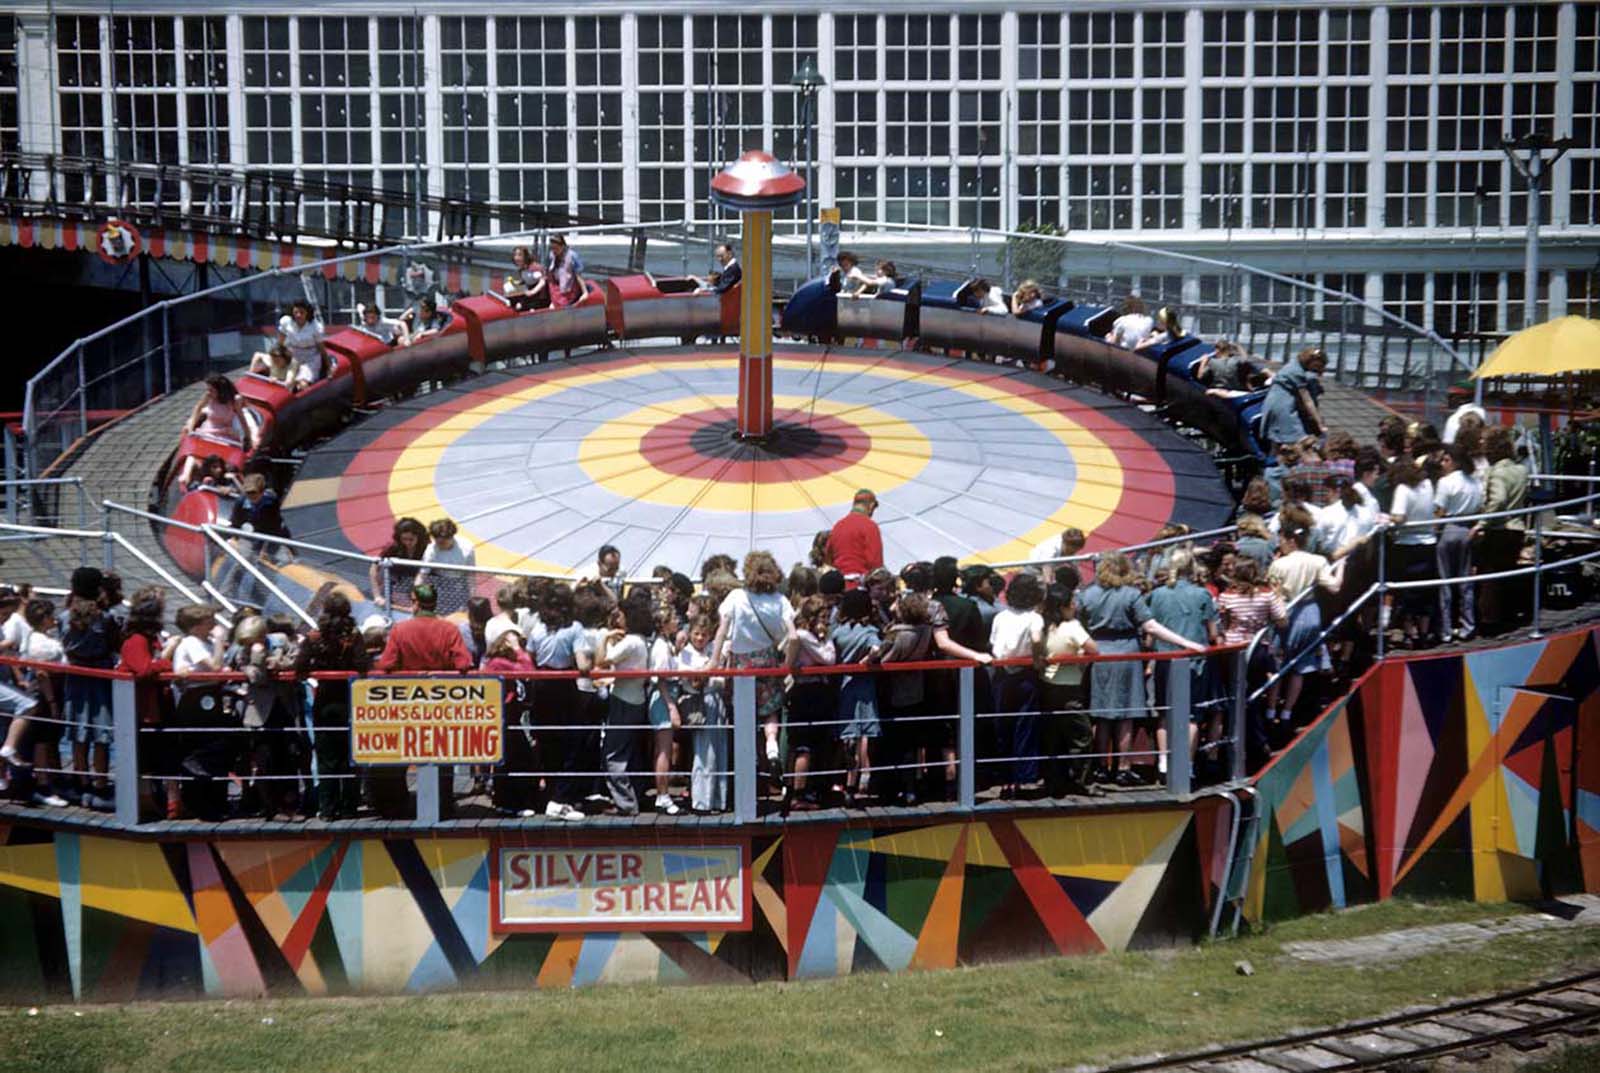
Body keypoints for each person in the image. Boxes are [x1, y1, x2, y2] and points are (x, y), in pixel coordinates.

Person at [1076, 552, 1206, 786]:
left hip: (1098, 654)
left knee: (1101, 714)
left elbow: (1079, 626)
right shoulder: (1131, 595)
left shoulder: (1088, 595)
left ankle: (1101, 767)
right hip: (1127, 654)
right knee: (1126, 714)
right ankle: (1124, 768)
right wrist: (1185, 643)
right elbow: (1151, 626)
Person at [709, 551, 796, 785]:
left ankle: (749, 768)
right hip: (768, 662)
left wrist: (714, 662)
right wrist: (787, 665)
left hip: (740, 664)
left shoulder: (736, 596)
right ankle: (771, 747)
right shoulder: (779, 600)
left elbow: (722, 629)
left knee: (743, 716)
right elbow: (793, 635)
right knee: (770, 712)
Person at [1146, 550, 1220, 779]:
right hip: (1194, 662)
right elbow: (1213, 633)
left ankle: (1163, 763)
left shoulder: (1156, 595)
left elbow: (1149, 637)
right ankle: (1186, 765)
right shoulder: (1202, 594)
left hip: (1164, 661)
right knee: (1192, 716)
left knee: (1164, 713)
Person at [295, 593, 370, 820]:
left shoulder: (315, 637)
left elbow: (300, 667)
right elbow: (362, 665)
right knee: (350, 755)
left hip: (325, 698)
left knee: (326, 757)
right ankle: (349, 807)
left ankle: (327, 809)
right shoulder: (354, 636)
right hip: (349, 699)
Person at [1267, 507, 1344, 725]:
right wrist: (1342, 567)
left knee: (1278, 665)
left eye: (1282, 539)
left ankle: (1271, 710)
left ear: (1291, 541)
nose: (1279, 543)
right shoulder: (1317, 561)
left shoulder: (1278, 564)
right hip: (1311, 613)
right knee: (1300, 666)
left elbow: (1274, 594)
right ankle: (1288, 712)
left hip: (1287, 612)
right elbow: (1334, 587)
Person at [61, 568, 119, 811]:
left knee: (78, 733)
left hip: (76, 678)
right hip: (100, 678)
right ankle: (100, 783)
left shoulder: (65, 617)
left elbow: (65, 646)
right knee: (101, 735)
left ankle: (81, 780)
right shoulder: (106, 618)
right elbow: (114, 644)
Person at [1037, 583, 1098, 797]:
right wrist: (1080, 656)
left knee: (1053, 737)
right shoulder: (1072, 626)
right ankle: (1084, 781)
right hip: (1069, 687)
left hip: (1046, 685)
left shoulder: (1043, 625)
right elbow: (1094, 649)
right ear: (1064, 606)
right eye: (1072, 601)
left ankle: (1055, 781)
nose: (1075, 605)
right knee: (1081, 736)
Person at [595, 594, 654, 816]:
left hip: (623, 700)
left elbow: (601, 661)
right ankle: (635, 796)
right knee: (631, 753)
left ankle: (625, 803)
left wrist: (605, 638)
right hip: (637, 698)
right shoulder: (642, 641)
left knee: (613, 754)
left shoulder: (630, 642)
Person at [532, 583, 587, 821]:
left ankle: (552, 796)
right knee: (572, 745)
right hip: (564, 687)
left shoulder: (537, 629)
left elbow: (531, 656)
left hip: (541, 687)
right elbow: (583, 664)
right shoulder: (575, 628)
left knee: (547, 742)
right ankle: (561, 799)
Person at [989, 572, 1046, 797]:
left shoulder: (1001, 617)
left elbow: (994, 643)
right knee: (1026, 725)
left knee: (1003, 726)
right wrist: (1038, 659)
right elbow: (1037, 639)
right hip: (1025, 674)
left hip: (1002, 673)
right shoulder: (1034, 618)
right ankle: (1024, 778)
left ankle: (1006, 779)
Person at [1473, 427, 1530, 632]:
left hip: (1499, 530)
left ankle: (1489, 623)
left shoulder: (1496, 472)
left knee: (1490, 577)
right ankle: (1507, 616)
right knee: (1507, 574)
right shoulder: (1521, 470)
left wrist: (1481, 524)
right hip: (1517, 528)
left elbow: (1498, 500)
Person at [830, 588, 882, 804]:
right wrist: (866, 662)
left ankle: (848, 780)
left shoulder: (838, 632)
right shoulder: (869, 630)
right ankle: (863, 777)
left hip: (845, 683)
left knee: (848, 731)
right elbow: (877, 649)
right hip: (865, 684)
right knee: (865, 732)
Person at [785, 595, 837, 808]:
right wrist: (826, 638)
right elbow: (829, 658)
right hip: (807, 692)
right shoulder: (805, 636)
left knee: (816, 743)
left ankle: (811, 789)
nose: (825, 622)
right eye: (822, 617)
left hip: (817, 692)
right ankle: (799, 793)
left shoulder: (812, 635)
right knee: (803, 745)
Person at [482, 619, 537, 816]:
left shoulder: (503, 661)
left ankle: (513, 800)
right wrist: (519, 651)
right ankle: (507, 803)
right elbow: (529, 673)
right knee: (510, 758)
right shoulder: (499, 663)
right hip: (503, 715)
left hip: (510, 715)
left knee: (518, 757)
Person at [1385, 457, 1438, 647]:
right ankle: (1424, 633)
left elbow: (1399, 516)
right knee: (1425, 592)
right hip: (1428, 543)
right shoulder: (1427, 485)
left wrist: (1386, 518)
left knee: (1406, 594)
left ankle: (1410, 634)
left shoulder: (1402, 489)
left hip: (1407, 545)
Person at [677, 613, 726, 813]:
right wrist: (708, 673)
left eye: (704, 634)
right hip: (699, 704)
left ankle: (718, 799)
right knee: (704, 753)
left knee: (720, 751)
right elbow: (687, 678)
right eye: (696, 634)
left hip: (716, 702)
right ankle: (701, 801)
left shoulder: (714, 650)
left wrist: (705, 673)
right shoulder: (685, 653)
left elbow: (721, 678)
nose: (699, 638)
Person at [1434, 443, 1483, 642]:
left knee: (1445, 581)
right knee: (1465, 581)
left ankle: (1445, 630)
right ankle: (1467, 625)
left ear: (1454, 462)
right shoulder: (1475, 483)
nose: (1442, 463)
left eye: (1446, 460)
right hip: (1467, 529)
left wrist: (1435, 529)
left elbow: (1439, 511)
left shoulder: (1445, 482)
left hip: (1449, 528)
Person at [374, 583, 474, 674]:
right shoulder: (450, 629)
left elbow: (387, 664)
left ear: (416, 604)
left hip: (408, 687)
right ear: (435, 604)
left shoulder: (399, 629)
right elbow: (463, 663)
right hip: (442, 688)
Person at [1260, 346, 1328, 448]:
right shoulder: (1297, 372)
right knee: (1295, 439)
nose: (1318, 369)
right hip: (1283, 406)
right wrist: (1320, 424)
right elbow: (1307, 400)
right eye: (1318, 365)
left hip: (1276, 402)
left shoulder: (1294, 366)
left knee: (1280, 441)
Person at [369, 517, 429, 610]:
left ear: (418, 536)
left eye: (411, 539)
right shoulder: (393, 547)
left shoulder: (425, 546)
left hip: (415, 577)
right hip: (394, 577)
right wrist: (377, 595)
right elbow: (374, 567)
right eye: (404, 539)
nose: (407, 543)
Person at [418, 518, 475, 615]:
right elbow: (422, 575)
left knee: (459, 614)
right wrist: (416, 593)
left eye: (443, 543)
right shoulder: (431, 550)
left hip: (460, 585)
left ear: (451, 537)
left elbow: (471, 575)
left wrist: (472, 595)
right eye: (437, 542)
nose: (440, 546)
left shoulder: (467, 548)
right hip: (439, 584)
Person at [826, 489, 884, 583]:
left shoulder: (838, 526)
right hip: (861, 586)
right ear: (871, 506)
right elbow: (875, 563)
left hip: (839, 586)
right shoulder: (870, 526)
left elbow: (828, 558)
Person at [278, 300, 330, 383]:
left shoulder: (315, 327)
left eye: (301, 312)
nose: (298, 315)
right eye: (296, 312)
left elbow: (321, 348)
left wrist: (329, 366)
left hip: (310, 357)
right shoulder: (286, 322)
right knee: (287, 378)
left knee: (302, 382)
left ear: (307, 313)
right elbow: (280, 340)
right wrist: (278, 354)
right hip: (293, 354)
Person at [504, 245, 550, 310]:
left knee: (520, 306)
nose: (516, 258)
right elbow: (526, 280)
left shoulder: (534, 267)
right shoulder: (522, 269)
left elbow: (542, 281)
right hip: (530, 295)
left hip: (540, 298)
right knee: (511, 301)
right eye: (515, 255)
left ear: (525, 256)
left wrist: (533, 291)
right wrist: (515, 283)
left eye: (519, 255)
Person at [547, 234, 586, 307]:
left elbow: (578, 275)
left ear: (562, 246)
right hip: (557, 290)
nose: (554, 251)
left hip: (569, 290)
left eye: (556, 248)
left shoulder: (572, 256)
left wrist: (585, 293)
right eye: (552, 248)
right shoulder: (552, 255)